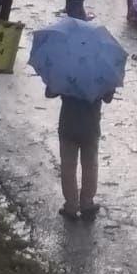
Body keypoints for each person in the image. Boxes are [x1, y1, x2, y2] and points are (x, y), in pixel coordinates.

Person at [47, 85, 114, 220]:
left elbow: (50, 92)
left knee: (68, 167)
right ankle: (87, 203)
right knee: (90, 166)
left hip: (68, 127)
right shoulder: (100, 73)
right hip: (90, 128)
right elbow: (108, 98)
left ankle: (71, 206)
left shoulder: (67, 70)